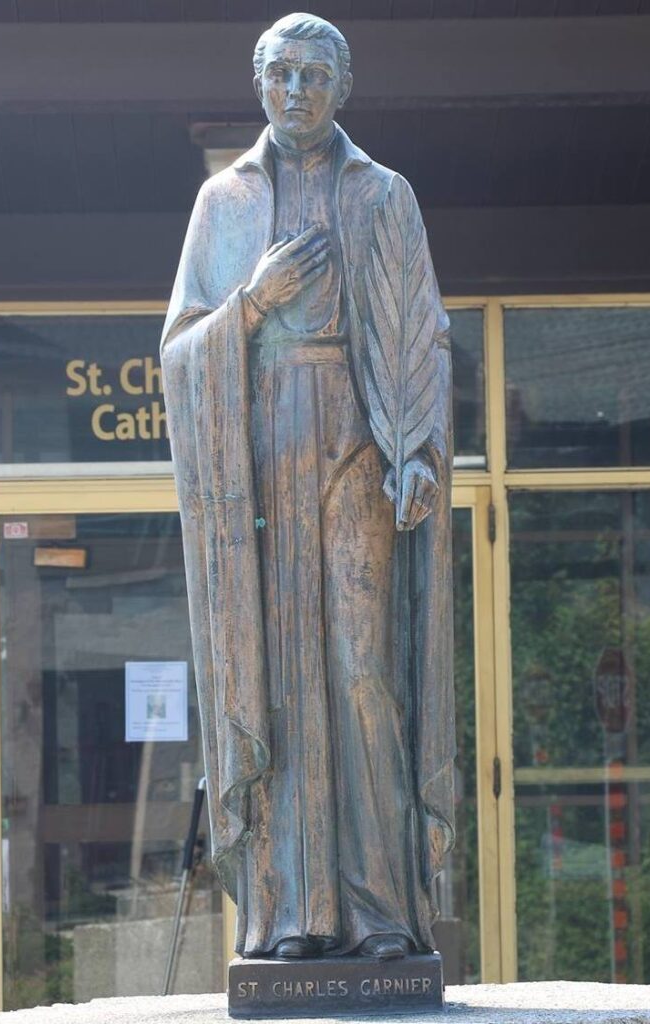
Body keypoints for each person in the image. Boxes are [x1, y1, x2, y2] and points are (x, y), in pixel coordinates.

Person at [161, 14, 454, 961]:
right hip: (268, 445)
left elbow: (421, 329)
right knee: (284, 676)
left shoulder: (384, 194)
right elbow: (179, 352)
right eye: (281, 74)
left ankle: (381, 912)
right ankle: (295, 913)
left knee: (360, 667)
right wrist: (253, 303)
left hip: (358, 438)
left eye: (314, 75)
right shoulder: (223, 201)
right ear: (259, 86)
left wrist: (417, 448)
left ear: (342, 86)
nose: (297, 91)